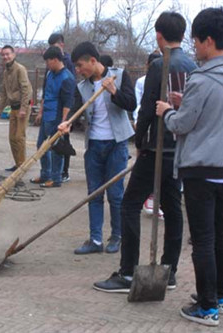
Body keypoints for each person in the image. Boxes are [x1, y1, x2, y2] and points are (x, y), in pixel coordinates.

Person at [156, 8, 223, 326]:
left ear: (208, 40)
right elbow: (213, 115)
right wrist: (187, 103)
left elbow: (182, 125)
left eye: (195, 41)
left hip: (201, 169)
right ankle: (220, 296)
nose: (194, 47)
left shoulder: (202, 78)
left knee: (203, 239)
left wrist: (167, 110)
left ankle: (206, 306)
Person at [94, 12, 197, 292]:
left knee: (130, 204)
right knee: (173, 208)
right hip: (180, 149)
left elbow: (149, 108)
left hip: (157, 147)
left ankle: (128, 273)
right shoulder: (192, 65)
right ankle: (169, 270)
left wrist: (139, 142)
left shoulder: (160, 65)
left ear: (159, 34)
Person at [59, 42, 136, 254]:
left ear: (93, 61)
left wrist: (114, 92)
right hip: (93, 145)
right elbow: (75, 111)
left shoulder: (119, 76)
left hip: (116, 144)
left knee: (115, 194)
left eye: (80, 65)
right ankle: (95, 240)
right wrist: (66, 123)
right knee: (94, 193)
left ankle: (117, 236)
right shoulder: (82, 86)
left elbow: (131, 103)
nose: (78, 69)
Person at [30, 46, 75, 188]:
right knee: (41, 146)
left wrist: (64, 122)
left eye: (48, 61)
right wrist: (41, 112)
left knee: (56, 149)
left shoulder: (67, 78)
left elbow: (68, 103)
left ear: (56, 60)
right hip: (46, 116)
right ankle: (45, 174)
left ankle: (56, 179)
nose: (47, 65)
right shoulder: (50, 74)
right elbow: (45, 94)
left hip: (56, 118)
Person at [0, 45, 33, 172]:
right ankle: (17, 164)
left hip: (23, 107)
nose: (6, 57)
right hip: (13, 108)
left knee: (19, 137)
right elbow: (5, 93)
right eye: (3, 55)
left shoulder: (20, 69)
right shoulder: (6, 72)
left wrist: (23, 108)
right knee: (12, 138)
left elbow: (25, 89)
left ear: (13, 55)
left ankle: (22, 166)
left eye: (8, 54)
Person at [134, 52, 163, 217]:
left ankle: (154, 195)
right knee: (142, 158)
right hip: (144, 121)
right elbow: (140, 102)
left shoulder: (167, 77)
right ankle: (144, 194)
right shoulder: (142, 81)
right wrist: (137, 119)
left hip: (160, 126)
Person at [47, 33, 75, 183]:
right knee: (52, 143)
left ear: (61, 45)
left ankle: (64, 172)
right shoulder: (50, 63)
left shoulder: (67, 63)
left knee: (63, 142)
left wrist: (66, 117)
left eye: (55, 47)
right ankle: (52, 172)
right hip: (51, 110)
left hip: (63, 108)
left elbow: (70, 90)